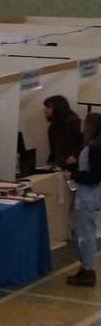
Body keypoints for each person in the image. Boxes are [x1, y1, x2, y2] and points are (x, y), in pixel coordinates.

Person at [65, 111, 100, 287]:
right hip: (88, 194)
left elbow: (94, 176)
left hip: (89, 195)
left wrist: (73, 174)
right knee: (83, 233)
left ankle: (88, 269)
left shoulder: (95, 149)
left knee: (86, 234)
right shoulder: (93, 146)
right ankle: (86, 267)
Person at [43, 95, 83, 168]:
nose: (45, 110)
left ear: (58, 108)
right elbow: (55, 148)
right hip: (59, 164)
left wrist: (74, 155)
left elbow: (83, 142)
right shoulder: (53, 126)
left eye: (48, 107)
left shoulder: (73, 123)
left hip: (72, 165)